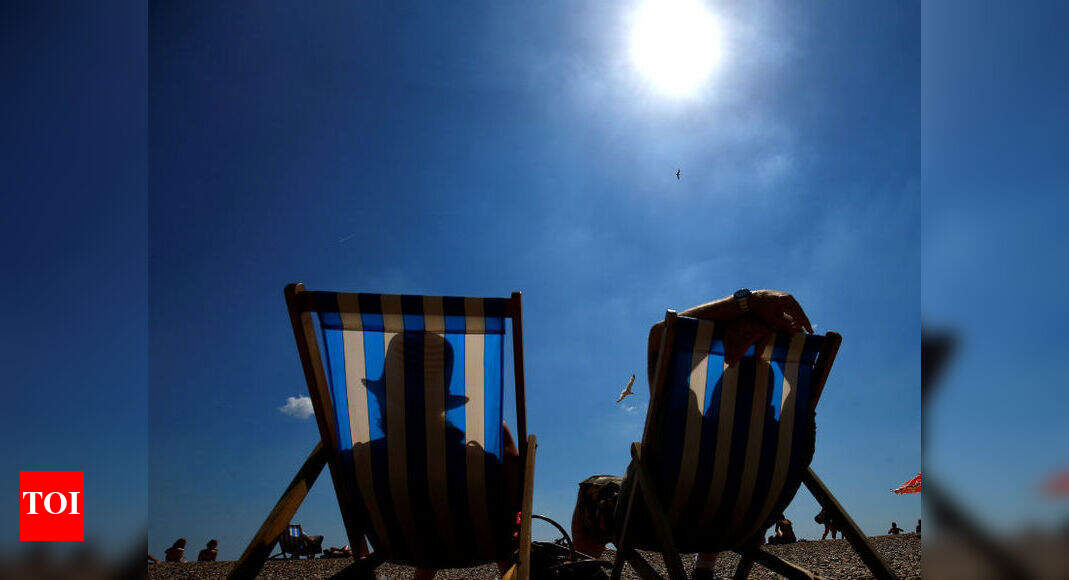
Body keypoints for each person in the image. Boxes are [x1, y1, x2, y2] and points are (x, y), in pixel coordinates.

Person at [571, 290, 814, 580]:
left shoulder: (687, 424)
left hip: (655, 525)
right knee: (726, 482)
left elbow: (661, 334)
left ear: (717, 397)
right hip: (741, 528)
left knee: (592, 488)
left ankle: (584, 575)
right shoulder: (794, 434)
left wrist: (745, 306)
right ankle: (704, 570)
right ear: (772, 404)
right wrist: (777, 337)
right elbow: (799, 372)